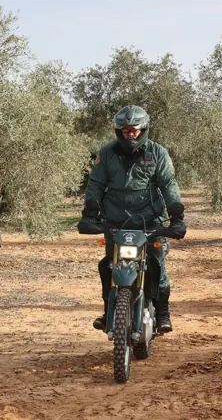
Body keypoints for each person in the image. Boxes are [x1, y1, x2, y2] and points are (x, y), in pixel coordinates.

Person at [77, 105, 187, 333]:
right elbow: (96, 184)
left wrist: (176, 216)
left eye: (135, 130)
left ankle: (163, 312)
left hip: (150, 222)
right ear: (119, 130)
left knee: (157, 265)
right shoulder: (107, 153)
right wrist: (90, 214)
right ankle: (110, 310)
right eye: (125, 130)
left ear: (144, 129)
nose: (130, 134)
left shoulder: (157, 152)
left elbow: (168, 184)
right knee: (109, 265)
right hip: (115, 222)